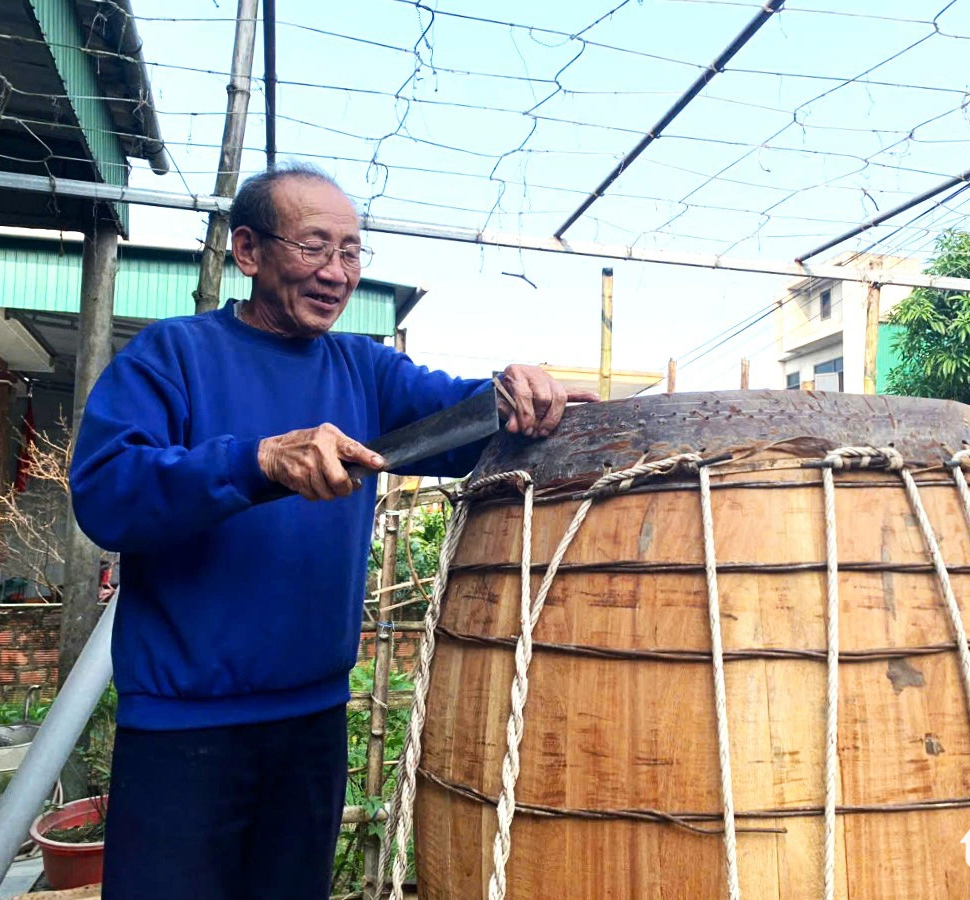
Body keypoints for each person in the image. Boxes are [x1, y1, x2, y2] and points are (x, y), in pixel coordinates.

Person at [69, 163, 594, 900]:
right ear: (248, 252)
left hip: (311, 719)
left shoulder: (366, 371)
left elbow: (462, 419)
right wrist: (257, 461)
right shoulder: (171, 356)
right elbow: (106, 495)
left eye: (351, 252)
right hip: (182, 727)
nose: (337, 273)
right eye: (315, 247)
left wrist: (514, 388)